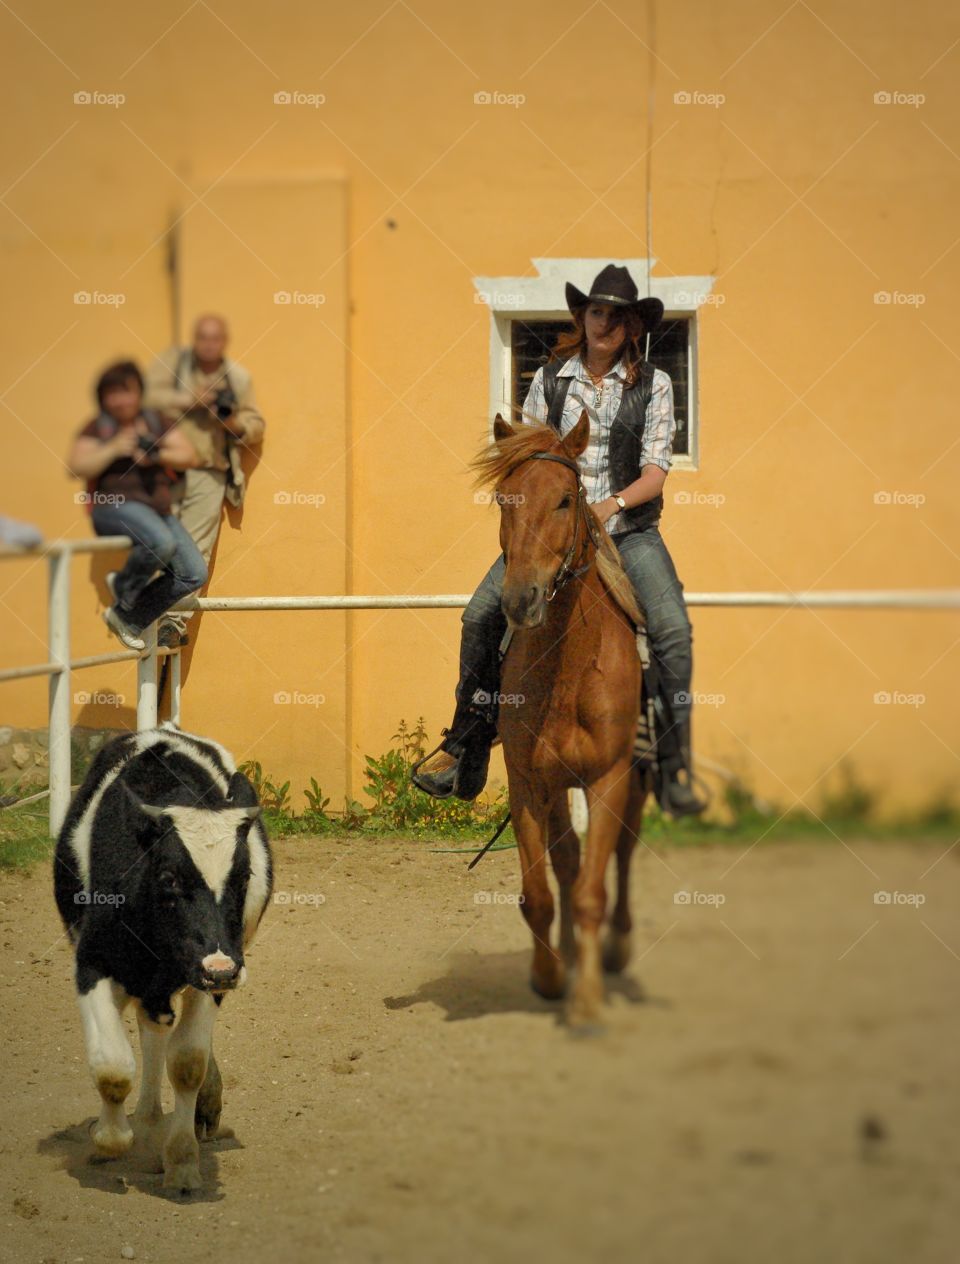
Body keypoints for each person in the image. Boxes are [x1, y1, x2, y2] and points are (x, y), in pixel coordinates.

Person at [413, 264, 708, 816]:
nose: (605, 323)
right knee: (479, 616)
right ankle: (466, 747)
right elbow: (526, 457)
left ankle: (674, 765)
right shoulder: (549, 379)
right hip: (550, 532)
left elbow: (654, 474)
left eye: (617, 315)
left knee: (672, 629)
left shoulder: (656, 385)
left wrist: (606, 505)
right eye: (597, 311)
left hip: (628, 532)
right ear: (583, 317)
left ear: (632, 328)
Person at [67, 360, 206, 652]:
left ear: (138, 393)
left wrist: (155, 454)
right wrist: (113, 448)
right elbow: (76, 466)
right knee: (160, 542)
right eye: (112, 393)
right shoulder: (100, 427)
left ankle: (127, 616)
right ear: (103, 398)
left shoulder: (155, 421)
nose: (120, 400)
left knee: (193, 573)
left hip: (157, 509)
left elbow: (189, 456)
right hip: (113, 505)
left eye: (126, 392)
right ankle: (124, 585)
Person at [144, 314, 265, 646]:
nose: (208, 344)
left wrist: (228, 421)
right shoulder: (173, 366)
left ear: (223, 342)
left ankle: (171, 623)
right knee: (157, 544)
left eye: (215, 338)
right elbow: (144, 400)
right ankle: (144, 616)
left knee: (195, 550)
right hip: (165, 470)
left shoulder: (236, 379)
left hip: (208, 472)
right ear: (194, 339)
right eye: (202, 338)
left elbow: (255, 425)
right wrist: (189, 400)